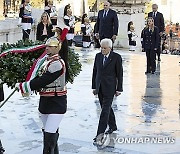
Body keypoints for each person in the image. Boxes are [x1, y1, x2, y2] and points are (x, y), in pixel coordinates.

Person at [15, 36, 67, 154]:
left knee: (49, 133)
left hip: (56, 102)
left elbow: (43, 80)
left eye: (50, 46)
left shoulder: (57, 63)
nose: (47, 48)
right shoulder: (45, 61)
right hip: (44, 101)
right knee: (49, 132)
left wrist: (24, 86)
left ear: (57, 48)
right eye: (46, 46)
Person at [92, 38, 123, 146]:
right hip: (100, 87)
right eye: (101, 48)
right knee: (106, 108)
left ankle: (99, 135)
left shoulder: (116, 57)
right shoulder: (98, 56)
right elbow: (95, 72)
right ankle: (113, 126)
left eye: (104, 48)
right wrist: (94, 87)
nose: (102, 50)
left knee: (104, 112)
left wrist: (119, 88)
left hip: (110, 88)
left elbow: (119, 74)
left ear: (110, 48)